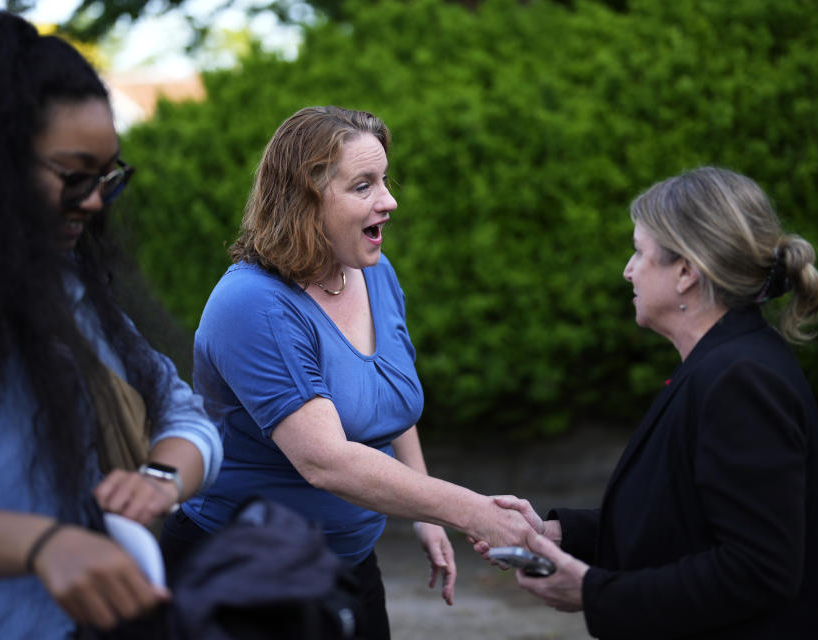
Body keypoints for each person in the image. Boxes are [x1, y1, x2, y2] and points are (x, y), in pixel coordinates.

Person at [160, 105, 542, 639]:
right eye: (364, 186)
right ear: (304, 200)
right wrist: (471, 511)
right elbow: (326, 461)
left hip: (348, 564)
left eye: (384, 180)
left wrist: (424, 509)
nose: (390, 200)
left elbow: (385, 400)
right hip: (245, 579)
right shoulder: (256, 304)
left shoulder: (374, 272)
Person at [0, 11, 222, 638]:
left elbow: (187, 415)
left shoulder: (67, 285)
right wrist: (47, 545)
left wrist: (160, 479)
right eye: (74, 177)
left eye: (107, 179)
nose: (96, 200)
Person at [490, 167, 818, 638]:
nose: (627, 269)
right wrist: (559, 535)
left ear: (686, 272)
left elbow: (758, 570)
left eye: (639, 253)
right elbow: (681, 521)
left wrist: (593, 592)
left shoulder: (741, 380)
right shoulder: (719, 364)